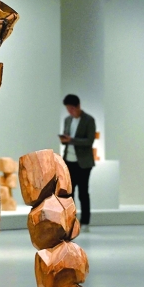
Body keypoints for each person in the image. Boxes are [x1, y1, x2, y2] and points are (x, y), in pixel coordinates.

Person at [59, 94, 97, 231]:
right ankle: (70, 220)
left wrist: (71, 140)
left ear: (77, 106)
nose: (69, 111)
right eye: (68, 109)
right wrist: (64, 140)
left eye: (71, 109)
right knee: (69, 193)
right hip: (68, 161)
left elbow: (89, 141)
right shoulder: (67, 120)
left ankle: (85, 221)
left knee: (83, 192)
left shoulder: (89, 120)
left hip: (84, 163)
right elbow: (66, 136)